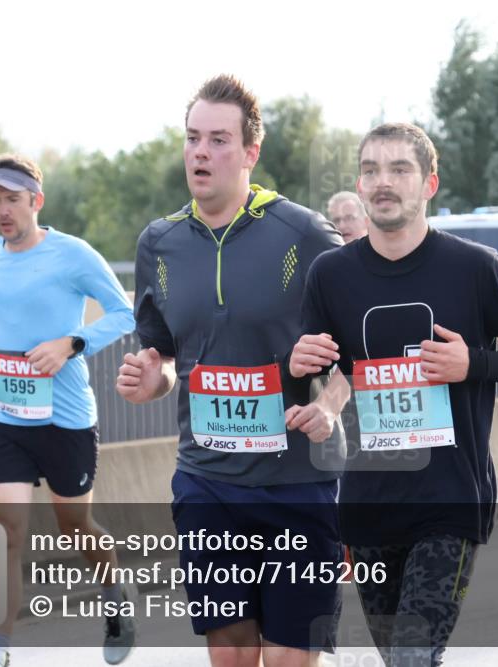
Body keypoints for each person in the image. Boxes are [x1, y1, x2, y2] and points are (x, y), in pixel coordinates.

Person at [288, 122, 498, 664]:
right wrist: (303, 376)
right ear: (360, 185)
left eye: (399, 169)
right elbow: (322, 374)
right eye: (370, 170)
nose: (382, 182)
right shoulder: (330, 274)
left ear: (429, 184)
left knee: (413, 655)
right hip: (368, 502)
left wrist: (474, 364)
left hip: (449, 498)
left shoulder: (475, 268)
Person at [116, 74, 346, 667]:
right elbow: (165, 356)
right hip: (206, 482)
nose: (200, 152)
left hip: (296, 482)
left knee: (292, 658)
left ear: (251, 152)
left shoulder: (302, 234)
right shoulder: (159, 244)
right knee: (233, 656)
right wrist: (154, 380)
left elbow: (359, 350)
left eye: (219, 139)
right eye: (193, 137)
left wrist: (327, 405)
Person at [0, 154, 136, 666]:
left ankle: (115, 597)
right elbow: (4, 323)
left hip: (65, 418)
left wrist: (71, 343)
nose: (2, 212)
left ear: (36, 201)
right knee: (5, 532)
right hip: (6, 413)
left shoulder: (73, 254)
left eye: (11, 200)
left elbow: (124, 313)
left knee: (74, 524)